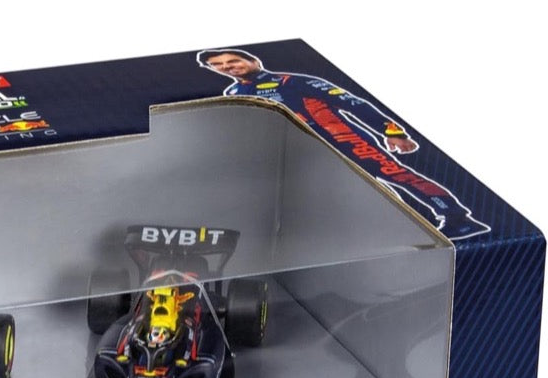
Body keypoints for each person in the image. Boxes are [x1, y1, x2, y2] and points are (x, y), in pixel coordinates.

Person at [196, 49, 489, 240]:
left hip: (342, 139)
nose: (227, 67)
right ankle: (397, 232)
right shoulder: (233, 92)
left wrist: (392, 131)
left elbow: (352, 103)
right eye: (218, 66)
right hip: (300, 152)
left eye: (233, 61)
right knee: (344, 195)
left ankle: (458, 218)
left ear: (254, 61)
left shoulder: (291, 81)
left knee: (396, 176)